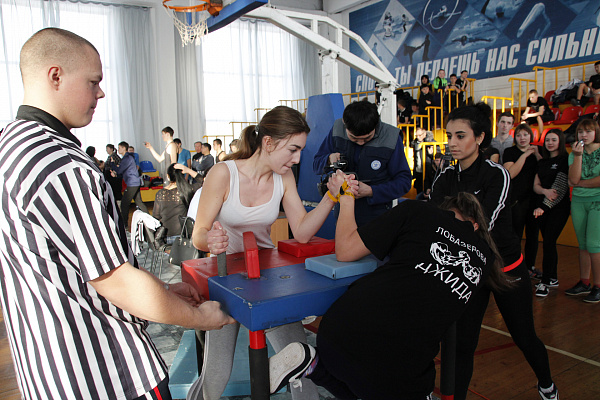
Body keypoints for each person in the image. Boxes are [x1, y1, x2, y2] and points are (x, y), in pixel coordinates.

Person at [0, 27, 233, 400]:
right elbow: (115, 281)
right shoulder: (63, 165)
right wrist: (199, 318)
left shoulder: (11, 144)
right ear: (55, 76)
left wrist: (162, 290)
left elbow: (66, 263)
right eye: (93, 82)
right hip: (103, 369)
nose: (101, 93)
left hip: (47, 366)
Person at [267, 186, 504, 400]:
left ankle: (313, 364)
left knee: (369, 384)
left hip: (339, 332)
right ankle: (314, 365)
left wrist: (346, 197)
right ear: (475, 225)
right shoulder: (486, 257)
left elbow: (346, 250)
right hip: (396, 363)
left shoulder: (418, 211)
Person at [191, 106, 340, 400]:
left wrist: (331, 197)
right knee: (216, 374)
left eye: (300, 151)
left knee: (300, 366)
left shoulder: (284, 177)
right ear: (269, 143)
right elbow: (199, 233)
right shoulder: (223, 173)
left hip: (267, 281)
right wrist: (211, 240)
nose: (297, 159)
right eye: (293, 150)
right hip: (225, 280)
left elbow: (301, 232)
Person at [429, 103, 559, 400]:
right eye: (449, 136)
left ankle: (547, 385)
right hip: (470, 271)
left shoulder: (496, 174)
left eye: (460, 135)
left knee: (524, 336)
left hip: (504, 268)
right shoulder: (445, 177)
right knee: (462, 344)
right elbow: (433, 219)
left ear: (480, 138)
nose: (452, 143)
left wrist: (451, 223)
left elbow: (482, 221)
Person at [313, 100, 412, 226]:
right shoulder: (337, 129)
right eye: (354, 138)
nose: (360, 143)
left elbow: (404, 182)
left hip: (377, 217)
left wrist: (372, 191)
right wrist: (329, 159)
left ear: (375, 125)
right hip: (342, 213)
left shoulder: (391, 138)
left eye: (367, 138)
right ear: (344, 124)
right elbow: (316, 164)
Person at [532, 129, 571, 297]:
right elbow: (536, 185)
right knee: (549, 243)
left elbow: (559, 188)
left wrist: (544, 206)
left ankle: (546, 281)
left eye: (553, 140)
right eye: (547, 140)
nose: (550, 143)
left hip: (557, 208)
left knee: (548, 242)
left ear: (560, 141)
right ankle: (552, 277)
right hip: (542, 207)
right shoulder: (543, 162)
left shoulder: (565, 160)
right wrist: (544, 191)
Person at [566, 119, 600, 303]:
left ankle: (598, 286)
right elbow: (573, 180)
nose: (584, 135)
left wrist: (582, 184)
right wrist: (578, 156)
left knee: (594, 244)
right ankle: (585, 282)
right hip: (579, 201)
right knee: (583, 244)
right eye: (580, 132)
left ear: (596, 132)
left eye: (588, 131)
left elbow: (579, 181)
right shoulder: (575, 153)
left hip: (597, 200)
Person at [502, 123, 542, 279]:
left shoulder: (538, 150)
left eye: (525, 134)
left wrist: (536, 154)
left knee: (533, 236)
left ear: (530, 136)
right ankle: (515, 267)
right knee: (516, 235)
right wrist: (524, 156)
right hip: (516, 200)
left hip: (534, 199)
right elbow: (510, 174)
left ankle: (530, 267)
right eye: (519, 135)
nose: (522, 138)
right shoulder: (510, 152)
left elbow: (544, 170)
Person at [111, 141, 148, 228]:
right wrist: (116, 174)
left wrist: (112, 164)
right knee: (139, 202)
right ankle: (150, 220)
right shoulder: (128, 158)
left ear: (124, 148)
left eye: (119, 148)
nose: (118, 150)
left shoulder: (126, 158)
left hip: (132, 183)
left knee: (124, 204)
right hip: (134, 182)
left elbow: (119, 170)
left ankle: (124, 225)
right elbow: (123, 172)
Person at [154, 163, 194, 243]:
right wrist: (188, 170)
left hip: (165, 235)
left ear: (168, 176)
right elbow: (202, 181)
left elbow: (156, 216)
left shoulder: (160, 193)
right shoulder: (187, 190)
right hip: (183, 235)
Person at [410, 127, 437, 195]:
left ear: (424, 134)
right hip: (418, 170)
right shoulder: (415, 143)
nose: (418, 137)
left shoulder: (430, 142)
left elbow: (437, 156)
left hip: (428, 170)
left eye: (420, 135)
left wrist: (431, 154)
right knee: (419, 190)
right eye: (416, 135)